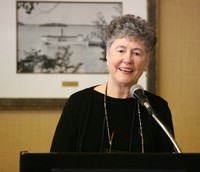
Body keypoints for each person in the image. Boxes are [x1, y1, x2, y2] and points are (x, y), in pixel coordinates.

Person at [50, 14, 175, 153]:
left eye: (137, 53)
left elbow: (169, 165)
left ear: (147, 62)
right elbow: (56, 164)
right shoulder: (78, 104)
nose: (127, 59)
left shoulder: (157, 109)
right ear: (107, 55)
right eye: (121, 50)